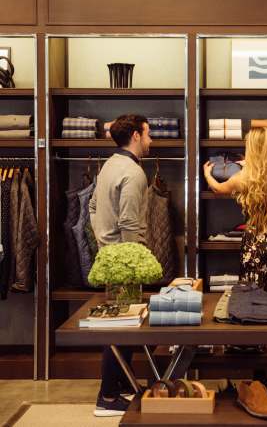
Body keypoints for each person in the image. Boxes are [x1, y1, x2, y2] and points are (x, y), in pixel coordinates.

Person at [89, 114, 152, 417]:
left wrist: (103, 239)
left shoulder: (109, 165)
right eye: (148, 134)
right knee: (120, 326)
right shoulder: (133, 172)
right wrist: (133, 258)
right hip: (125, 258)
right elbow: (128, 220)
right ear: (137, 136)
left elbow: (91, 207)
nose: (151, 140)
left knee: (123, 323)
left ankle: (122, 384)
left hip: (110, 254)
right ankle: (107, 397)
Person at [203, 127, 267, 295]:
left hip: (255, 245)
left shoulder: (242, 179)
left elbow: (218, 188)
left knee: (253, 296)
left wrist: (207, 174)